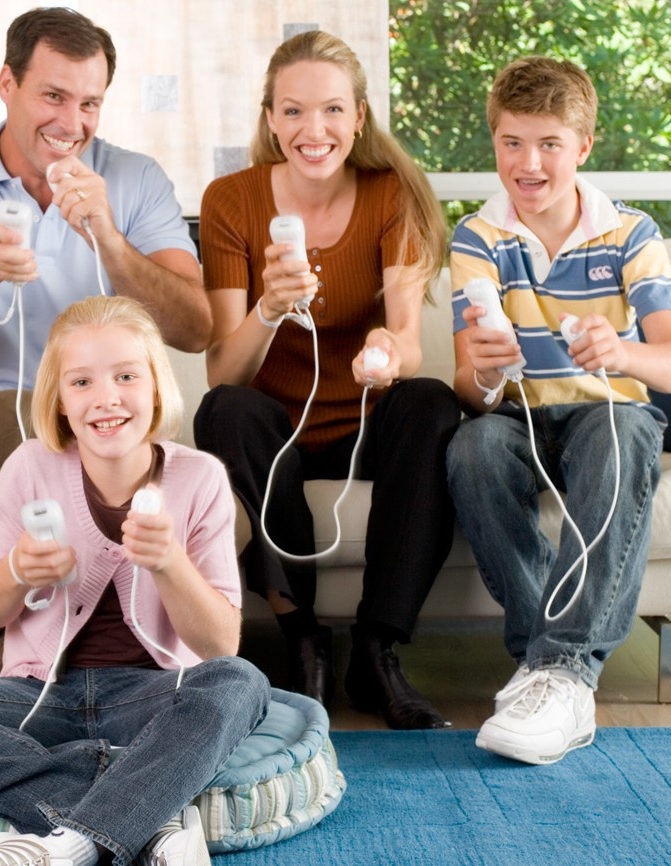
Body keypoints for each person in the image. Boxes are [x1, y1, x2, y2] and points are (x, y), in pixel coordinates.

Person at [0, 7, 210, 678]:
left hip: (101, 422)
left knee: (117, 449)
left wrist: (112, 242)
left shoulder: (135, 182)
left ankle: (52, 660)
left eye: (90, 103)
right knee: (23, 421)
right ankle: (3, 654)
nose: (72, 123)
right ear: (7, 84)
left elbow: (195, 328)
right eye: (53, 96)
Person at [0, 296, 268, 866]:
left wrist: (169, 564)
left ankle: (64, 846)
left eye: (126, 376)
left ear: (156, 386)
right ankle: (147, 824)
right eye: (81, 381)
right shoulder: (31, 466)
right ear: (59, 401)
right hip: (41, 698)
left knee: (240, 682)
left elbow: (219, 646)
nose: (106, 398)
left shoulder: (199, 477)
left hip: (153, 697)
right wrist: (16, 570)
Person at [193, 30, 459, 730]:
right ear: (271, 119)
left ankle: (377, 650)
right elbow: (224, 370)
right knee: (224, 411)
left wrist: (385, 352)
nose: (315, 130)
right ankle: (302, 639)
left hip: (365, 423)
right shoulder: (230, 200)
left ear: (360, 118)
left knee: (430, 402)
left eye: (333, 110)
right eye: (294, 112)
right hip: (276, 432)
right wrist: (267, 309)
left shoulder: (392, 194)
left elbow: (407, 339)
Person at [446, 56, 671, 765]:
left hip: (605, 414)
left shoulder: (631, 234)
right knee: (470, 448)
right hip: (522, 418)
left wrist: (621, 355)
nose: (528, 164)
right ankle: (549, 670)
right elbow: (471, 389)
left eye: (549, 144)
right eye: (512, 143)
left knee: (620, 428)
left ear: (582, 148)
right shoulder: (477, 238)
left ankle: (559, 674)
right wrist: (488, 374)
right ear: (494, 142)